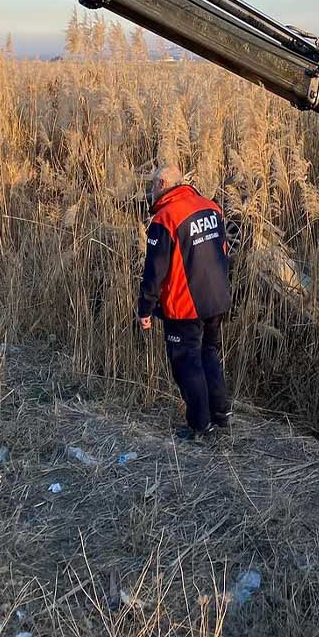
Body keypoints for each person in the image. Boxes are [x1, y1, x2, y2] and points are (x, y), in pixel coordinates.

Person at [138, 165, 232, 439]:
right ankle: (221, 414)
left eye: (153, 184)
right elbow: (225, 252)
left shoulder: (165, 218)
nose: (151, 191)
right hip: (217, 299)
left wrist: (145, 307)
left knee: (187, 363)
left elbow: (155, 270)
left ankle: (200, 426)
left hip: (185, 306)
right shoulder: (211, 208)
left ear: (164, 183)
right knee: (209, 354)